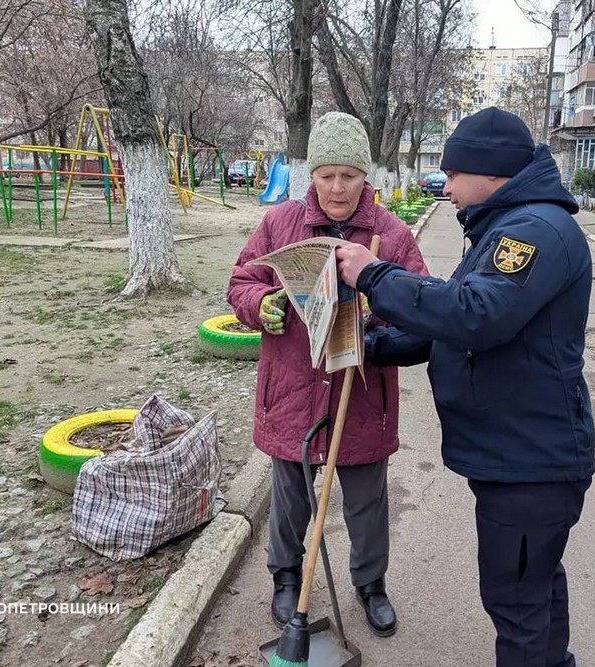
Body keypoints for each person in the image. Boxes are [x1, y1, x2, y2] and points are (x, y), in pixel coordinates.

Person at [334, 106, 595, 666]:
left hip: (530, 462)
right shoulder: (507, 226)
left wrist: (374, 275)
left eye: (453, 173)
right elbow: (452, 329)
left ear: (492, 172)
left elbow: (478, 315)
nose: (445, 185)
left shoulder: (534, 231)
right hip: (519, 456)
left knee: (517, 601)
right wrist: (371, 348)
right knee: (535, 589)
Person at [227, 111, 427, 637]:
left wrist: (375, 316)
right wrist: (261, 305)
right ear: (311, 175)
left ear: (367, 177)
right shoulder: (280, 224)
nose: (338, 188)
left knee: (366, 500)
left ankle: (371, 584)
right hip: (293, 385)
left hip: (359, 396)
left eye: (349, 175)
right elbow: (242, 280)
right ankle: (287, 579)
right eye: (326, 175)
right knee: (290, 495)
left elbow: (420, 305)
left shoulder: (389, 234)